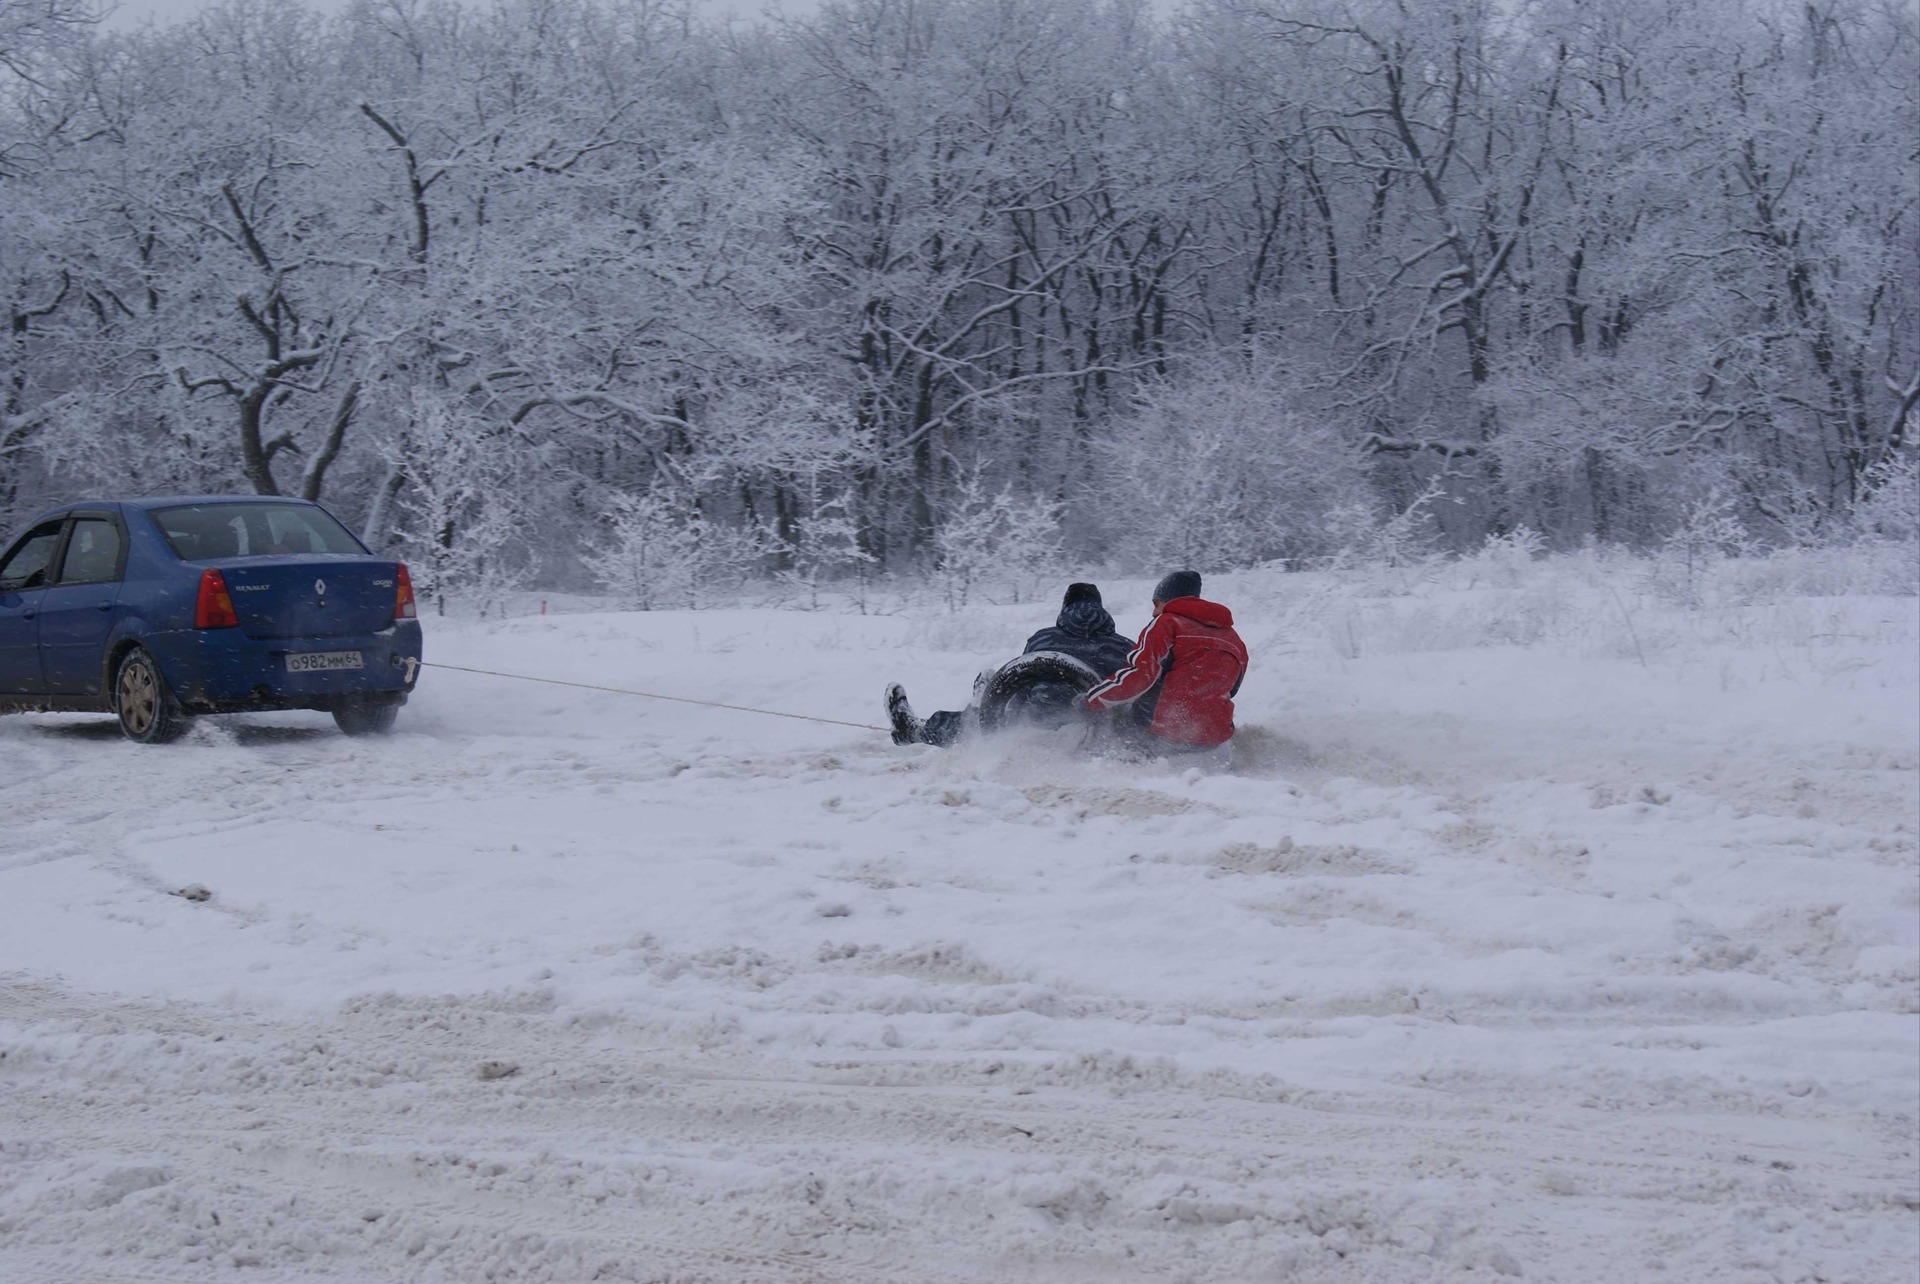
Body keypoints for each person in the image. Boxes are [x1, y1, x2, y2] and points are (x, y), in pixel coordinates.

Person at [886, 582, 1133, 747]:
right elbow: (1129, 693)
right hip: (1092, 733)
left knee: (976, 726)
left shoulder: (1043, 638)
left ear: (1064, 608)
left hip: (1032, 724)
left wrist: (991, 709)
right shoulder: (1124, 647)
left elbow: (1019, 685)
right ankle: (981, 699)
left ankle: (916, 730)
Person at [1083, 570, 1248, 755]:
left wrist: (1093, 699)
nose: (1154, 612)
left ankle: (1109, 764)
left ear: (1170, 600)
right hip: (1214, 734)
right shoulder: (1234, 639)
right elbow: (1232, 689)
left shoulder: (1168, 622)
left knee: (1120, 713)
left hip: (1168, 727)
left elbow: (1140, 675)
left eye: (1156, 604)